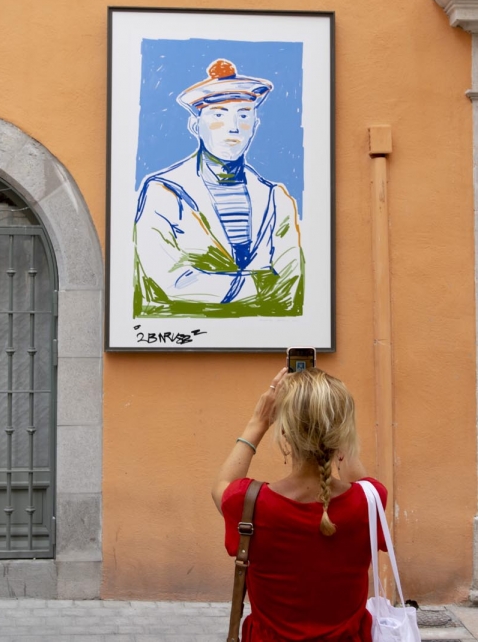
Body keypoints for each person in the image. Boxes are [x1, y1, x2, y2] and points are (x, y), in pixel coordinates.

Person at [212, 367, 387, 642]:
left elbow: (220, 487)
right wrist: (339, 428)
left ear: (285, 432)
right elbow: (360, 480)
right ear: (343, 433)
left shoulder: (249, 503)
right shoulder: (370, 500)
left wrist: (257, 422)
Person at [133, 58, 304, 319]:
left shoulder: (275, 198)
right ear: (195, 126)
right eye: (219, 115)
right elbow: (172, 282)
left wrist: (214, 285)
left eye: (244, 114)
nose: (233, 127)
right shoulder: (164, 192)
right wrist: (258, 286)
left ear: (255, 126)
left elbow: (289, 285)